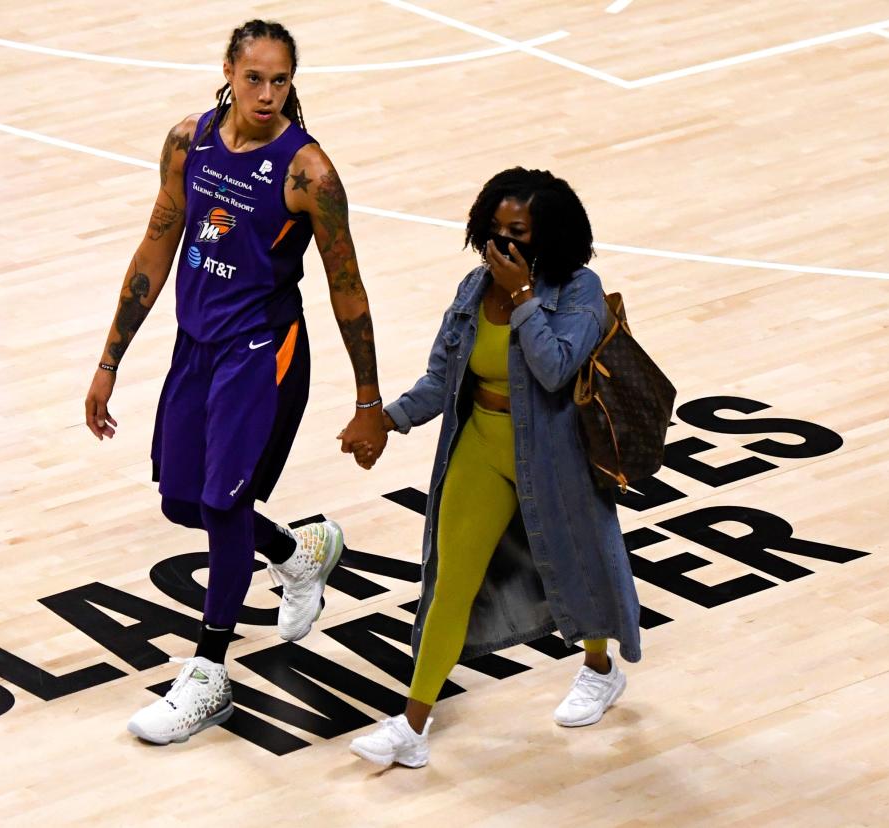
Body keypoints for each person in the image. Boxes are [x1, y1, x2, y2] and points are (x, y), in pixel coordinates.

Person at [83, 19, 387, 746]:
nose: (267, 94)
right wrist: (108, 360)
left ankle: (209, 675)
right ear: (228, 69)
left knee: (224, 505)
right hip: (198, 348)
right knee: (185, 504)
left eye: (281, 80)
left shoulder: (308, 173)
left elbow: (349, 287)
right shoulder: (190, 142)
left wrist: (368, 398)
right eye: (255, 78)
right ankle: (297, 551)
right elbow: (157, 243)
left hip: (264, 353)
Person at [345, 168, 642, 769]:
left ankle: (600, 668)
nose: (502, 246)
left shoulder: (579, 292)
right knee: (449, 583)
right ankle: (412, 725)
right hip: (480, 444)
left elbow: (556, 369)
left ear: (549, 238)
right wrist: (387, 420)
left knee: (576, 568)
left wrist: (526, 299)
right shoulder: (472, 289)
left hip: (556, 459)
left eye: (519, 233)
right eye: (494, 231)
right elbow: (441, 379)